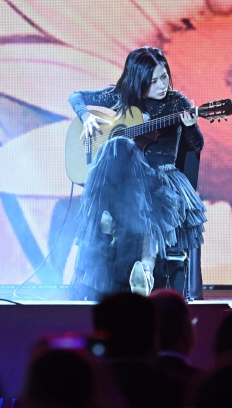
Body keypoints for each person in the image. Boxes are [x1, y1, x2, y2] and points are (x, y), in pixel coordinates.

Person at [68, 46, 206, 300]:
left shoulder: (177, 102)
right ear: (137, 80)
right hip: (124, 184)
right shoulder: (120, 97)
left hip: (161, 179)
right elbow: (75, 96)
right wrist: (87, 117)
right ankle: (97, 272)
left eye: (164, 76)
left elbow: (196, 146)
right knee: (118, 145)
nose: (161, 85)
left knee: (142, 199)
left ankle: (145, 269)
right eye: (153, 81)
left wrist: (191, 127)